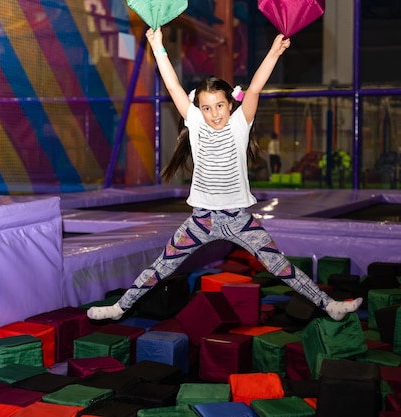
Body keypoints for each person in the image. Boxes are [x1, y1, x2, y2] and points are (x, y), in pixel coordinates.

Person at [87, 27, 362, 322]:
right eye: (207, 107)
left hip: (238, 219)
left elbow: (254, 88)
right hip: (202, 219)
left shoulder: (240, 123)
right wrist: (157, 47)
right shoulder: (195, 122)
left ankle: (329, 305)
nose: (214, 113)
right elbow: (173, 87)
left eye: (219, 106)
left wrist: (274, 52)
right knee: (161, 265)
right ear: (198, 109)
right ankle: (120, 308)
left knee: (279, 265)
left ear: (231, 104)